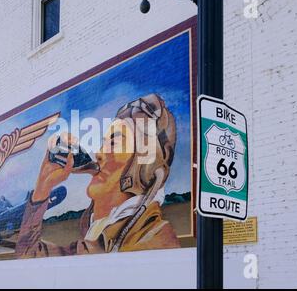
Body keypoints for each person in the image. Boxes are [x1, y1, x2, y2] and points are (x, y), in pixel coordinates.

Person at [15, 94, 180, 258]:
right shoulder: (101, 233)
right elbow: (28, 257)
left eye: (113, 143)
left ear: (145, 166)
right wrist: (43, 187)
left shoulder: (151, 242)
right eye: (103, 143)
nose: (99, 153)